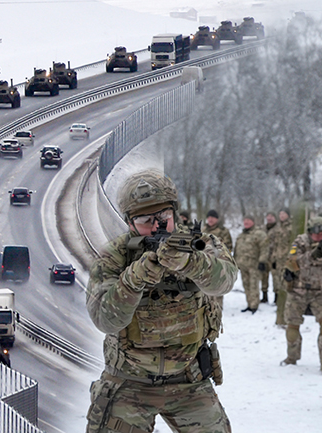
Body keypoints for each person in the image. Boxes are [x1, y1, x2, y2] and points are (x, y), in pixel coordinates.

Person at [85, 171, 236, 433]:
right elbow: (105, 319)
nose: (157, 226)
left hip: (189, 380)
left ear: (175, 213)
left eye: (164, 216)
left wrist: (192, 263)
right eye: (145, 220)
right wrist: (133, 281)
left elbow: (224, 280)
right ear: (130, 223)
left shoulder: (197, 244)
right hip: (129, 382)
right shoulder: (115, 256)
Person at [281, 217, 322, 373]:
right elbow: (292, 262)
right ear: (310, 232)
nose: (320, 236)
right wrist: (313, 255)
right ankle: (292, 357)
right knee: (292, 326)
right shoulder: (300, 242)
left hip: (320, 291)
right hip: (298, 291)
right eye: (317, 233)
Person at [233, 215, 269, 313]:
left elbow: (264, 248)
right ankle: (249, 303)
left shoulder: (259, 234)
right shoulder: (241, 235)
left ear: (253, 222)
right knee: (246, 285)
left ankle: (254, 305)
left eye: (248, 220)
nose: (246, 222)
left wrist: (262, 261)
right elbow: (236, 250)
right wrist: (235, 262)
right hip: (243, 265)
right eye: (245, 220)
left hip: (254, 265)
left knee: (253, 286)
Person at [268, 208, 293, 327]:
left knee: (287, 285)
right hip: (278, 260)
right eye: (280, 214)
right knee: (278, 284)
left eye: (284, 214)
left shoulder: (291, 228)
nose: (282, 216)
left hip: (288, 260)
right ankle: (281, 308)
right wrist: (272, 258)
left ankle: (288, 310)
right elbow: (273, 245)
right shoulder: (277, 228)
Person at [204, 209, 234, 308]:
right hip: (204, 263)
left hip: (218, 263)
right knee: (204, 286)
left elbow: (228, 246)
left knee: (217, 286)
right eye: (208, 217)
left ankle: (217, 308)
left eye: (212, 217)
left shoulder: (223, 231)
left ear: (216, 219)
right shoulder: (203, 230)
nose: (210, 219)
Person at [260, 212, 278, 303]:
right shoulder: (262, 229)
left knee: (276, 278)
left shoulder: (278, 229)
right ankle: (264, 296)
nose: (269, 218)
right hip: (264, 256)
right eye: (268, 216)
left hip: (274, 257)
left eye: (271, 216)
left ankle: (276, 297)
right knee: (264, 277)